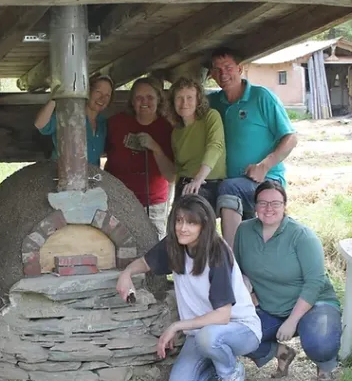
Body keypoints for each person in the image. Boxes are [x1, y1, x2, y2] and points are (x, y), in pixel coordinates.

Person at [116, 195, 261, 381]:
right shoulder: (175, 244)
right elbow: (146, 263)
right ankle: (220, 368)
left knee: (209, 338)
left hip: (239, 328)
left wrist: (176, 325)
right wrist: (126, 273)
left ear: (205, 225)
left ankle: (230, 373)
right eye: (179, 220)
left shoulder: (217, 253)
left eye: (191, 222)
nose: (183, 228)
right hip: (201, 332)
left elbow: (223, 315)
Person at [234, 180, 341, 381]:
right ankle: (281, 353)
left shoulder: (302, 236)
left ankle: (324, 361)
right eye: (262, 203)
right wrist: (251, 295)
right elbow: (237, 271)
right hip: (270, 306)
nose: (268, 208)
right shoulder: (244, 231)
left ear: (285, 205)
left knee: (321, 344)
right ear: (254, 205)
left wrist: (292, 320)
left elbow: (315, 282)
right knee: (237, 337)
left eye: (275, 203)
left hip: (313, 304)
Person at [208, 48, 298, 248]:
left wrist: (264, 166)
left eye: (228, 67)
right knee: (194, 201)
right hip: (231, 185)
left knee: (229, 188)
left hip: (267, 180)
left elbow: (290, 138)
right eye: (217, 69)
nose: (223, 73)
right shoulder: (212, 102)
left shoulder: (261, 97)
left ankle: (231, 260)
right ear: (212, 75)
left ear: (240, 69)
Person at [105, 77, 174, 239]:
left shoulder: (167, 128)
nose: (144, 101)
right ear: (132, 102)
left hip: (153, 202)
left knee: (154, 247)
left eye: (150, 97)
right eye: (138, 97)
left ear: (158, 99)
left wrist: (155, 147)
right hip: (119, 199)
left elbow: (171, 175)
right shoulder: (116, 123)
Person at [169, 77, 226, 211]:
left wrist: (198, 179)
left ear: (198, 100)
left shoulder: (211, 116)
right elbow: (178, 168)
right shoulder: (176, 132)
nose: (184, 103)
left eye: (189, 97)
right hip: (184, 186)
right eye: (179, 98)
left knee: (193, 218)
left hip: (208, 183)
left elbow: (215, 146)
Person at [34, 75, 114, 167]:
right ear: (87, 91)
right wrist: (55, 98)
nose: (102, 98)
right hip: (61, 175)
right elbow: (40, 125)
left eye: (107, 95)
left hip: (90, 178)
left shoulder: (103, 123)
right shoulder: (69, 115)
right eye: (98, 92)